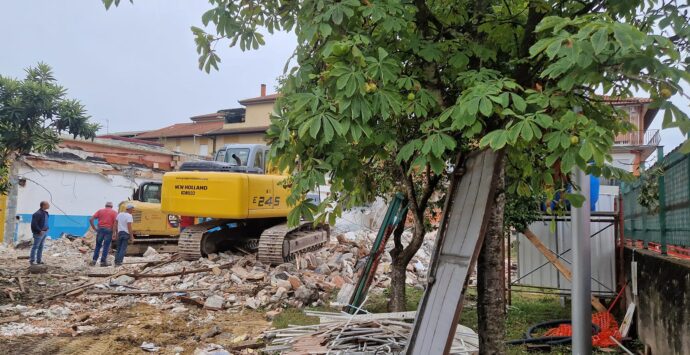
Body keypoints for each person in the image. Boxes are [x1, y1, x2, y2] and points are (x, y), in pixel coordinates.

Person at [88, 202, 118, 267]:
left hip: (100, 229)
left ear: (105, 206)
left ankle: (94, 260)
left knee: (98, 245)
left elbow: (91, 219)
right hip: (109, 230)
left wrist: (94, 228)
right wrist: (114, 232)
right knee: (106, 246)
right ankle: (103, 262)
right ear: (112, 206)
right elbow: (115, 223)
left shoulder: (100, 211)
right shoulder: (114, 212)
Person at [29, 201, 50, 265]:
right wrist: (39, 231)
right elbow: (34, 224)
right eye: (47, 204)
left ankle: (39, 260)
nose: (49, 205)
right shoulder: (37, 213)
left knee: (41, 247)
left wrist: (47, 229)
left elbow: (45, 222)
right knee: (35, 246)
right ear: (43, 205)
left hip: (44, 232)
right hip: (39, 233)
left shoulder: (45, 213)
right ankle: (32, 260)